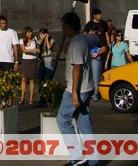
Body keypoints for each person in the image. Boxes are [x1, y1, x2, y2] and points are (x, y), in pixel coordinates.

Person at [57, 11, 99, 166]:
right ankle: (93, 160)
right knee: (84, 123)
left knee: (63, 119)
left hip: (76, 89)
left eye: (63, 26)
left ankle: (77, 154)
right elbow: (96, 39)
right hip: (87, 87)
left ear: (69, 26)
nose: (62, 30)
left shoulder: (75, 44)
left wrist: (74, 93)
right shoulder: (83, 39)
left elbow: (77, 68)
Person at [19, 26, 39, 105]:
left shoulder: (35, 39)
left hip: (33, 60)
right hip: (25, 60)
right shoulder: (21, 40)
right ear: (25, 33)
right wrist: (34, 50)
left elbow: (38, 47)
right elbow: (24, 50)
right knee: (23, 78)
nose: (30, 33)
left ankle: (31, 98)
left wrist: (38, 49)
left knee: (32, 79)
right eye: (28, 32)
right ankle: (22, 97)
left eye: (31, 32)